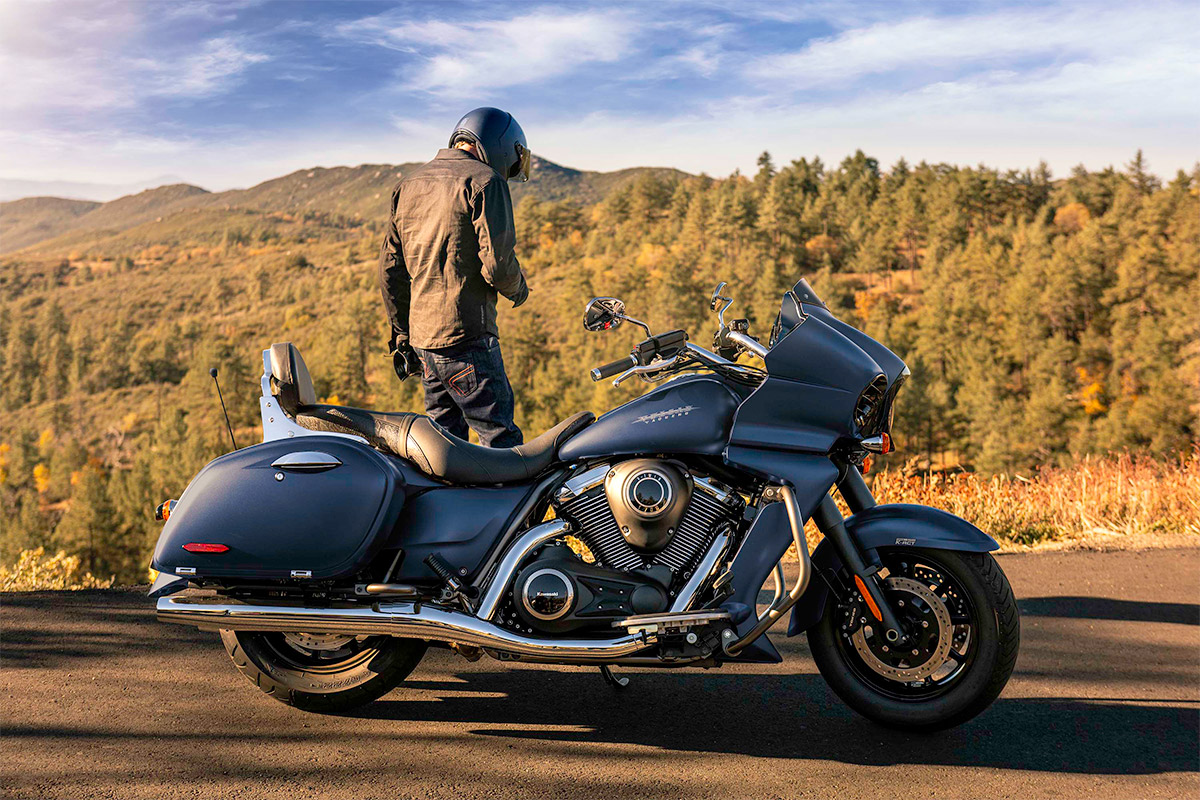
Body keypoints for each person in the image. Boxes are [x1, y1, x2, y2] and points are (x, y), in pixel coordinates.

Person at [378, 107, 532, 447]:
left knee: (444, 449)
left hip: (423, 342)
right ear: (503, 145)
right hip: (466, 338)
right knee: (501, 442)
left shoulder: (408, 185)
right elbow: (498, 266)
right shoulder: (485, 181)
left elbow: (391, 270)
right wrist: (520, 290)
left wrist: (403, 335)